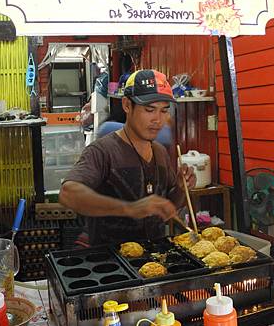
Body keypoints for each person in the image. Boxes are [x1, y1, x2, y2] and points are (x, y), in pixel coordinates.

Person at [59, 69, 196, 246]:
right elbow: (68, 193)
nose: (158, 120)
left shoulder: (160, 152)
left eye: (164, 111)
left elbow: (169, 207)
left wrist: (180, 187)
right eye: (149, 110)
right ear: (126, 105)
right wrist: (129, 208)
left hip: (154, 259)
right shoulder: (103, 151)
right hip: (109, 261)